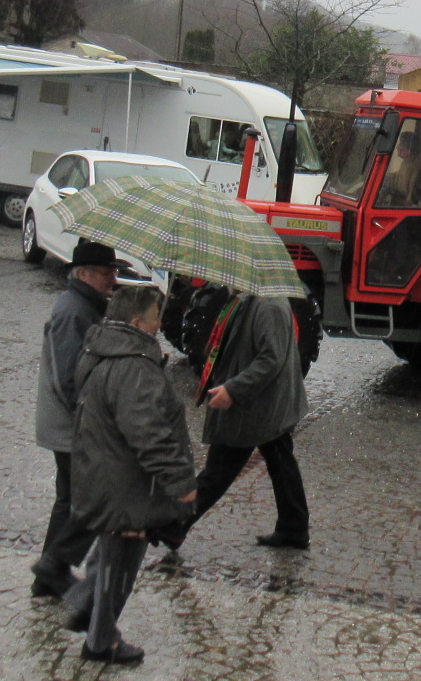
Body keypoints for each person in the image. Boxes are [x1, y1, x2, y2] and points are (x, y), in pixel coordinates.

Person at [66, 285, 199, 665]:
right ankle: (100, 640)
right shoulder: (134, 367)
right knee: (120, 565)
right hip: (126, 483)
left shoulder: (104, 349)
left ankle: (89, 617)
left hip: (104, 473)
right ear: (138, 322)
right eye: (157, 316)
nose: (161, 323)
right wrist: (180, 482)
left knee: (110, 556)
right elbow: (148, 432)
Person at [171, 290, 310, 551]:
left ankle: (174, 524)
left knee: (220, 468)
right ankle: (294, 528)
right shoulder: (249, 298)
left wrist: (233, 389)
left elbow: (271, 359)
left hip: (257, 405)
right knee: (280, 462)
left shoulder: (269, 306)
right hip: (264, 403)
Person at [30, 240, 121, 600]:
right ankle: (52, 567)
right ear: (83, 274)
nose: (112, 279)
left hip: (73, 421)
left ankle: (49, 574)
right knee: (89, 497)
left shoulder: (88, 306)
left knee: (71, 499)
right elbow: (67, 376)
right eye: (106, 273)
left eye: (113, 272)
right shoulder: (73, 311)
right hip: (70, 424)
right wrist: (88, 419)